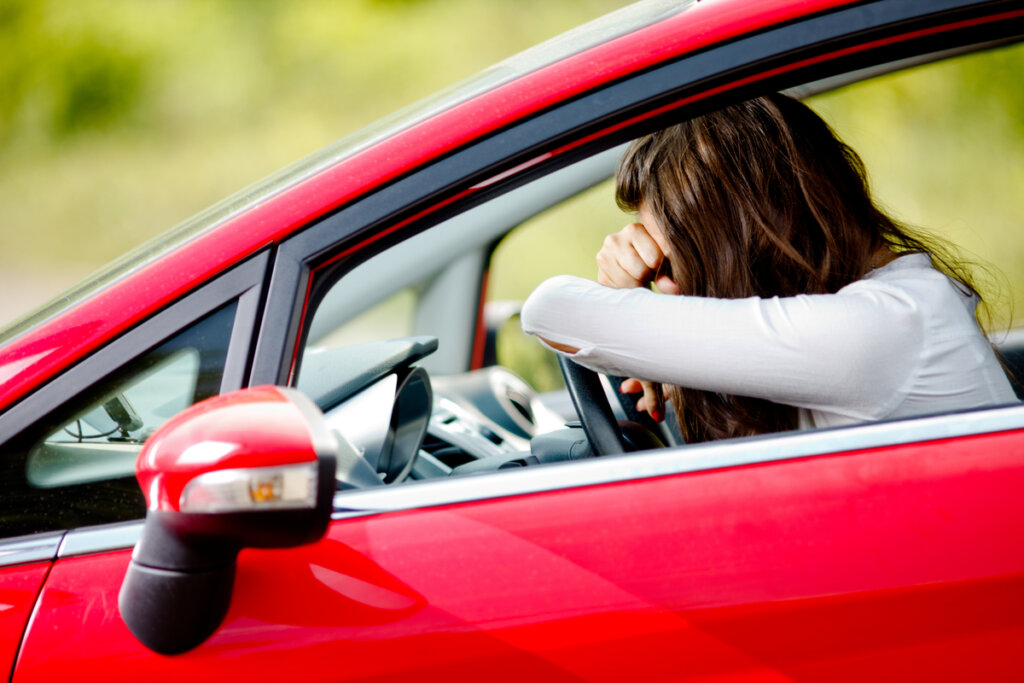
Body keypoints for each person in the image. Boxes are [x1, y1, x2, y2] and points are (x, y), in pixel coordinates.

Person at [520, 93, 1017, 443]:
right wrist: (644, 341)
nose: (668, 281)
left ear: (740, 238)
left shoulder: (879, 331)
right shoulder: (902, 301)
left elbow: (549, 308)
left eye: (669, 259)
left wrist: (623, 302)